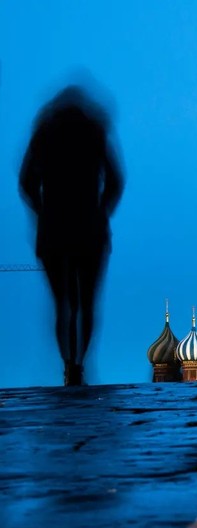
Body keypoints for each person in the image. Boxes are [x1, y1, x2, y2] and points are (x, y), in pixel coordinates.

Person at [19, 85, 124, 386]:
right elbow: (116, 180)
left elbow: (26, 181)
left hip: (54, 230)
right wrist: (101, 210)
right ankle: (80, 362)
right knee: (87, 302)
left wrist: (42, 210)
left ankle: (69, 365)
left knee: (63, 303)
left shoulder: (45, 134)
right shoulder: (95, 132)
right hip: (90, 228)